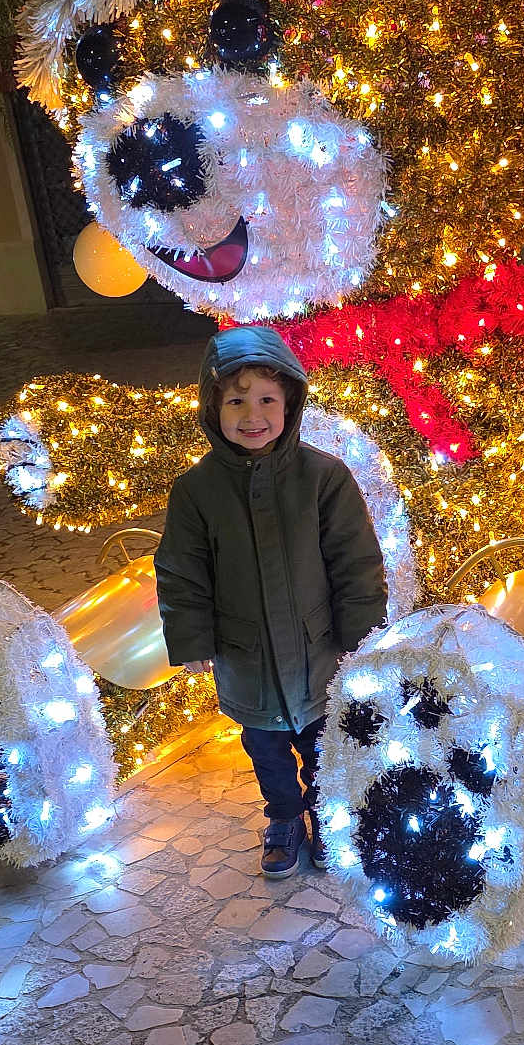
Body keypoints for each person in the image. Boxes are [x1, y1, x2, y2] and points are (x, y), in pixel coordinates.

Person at [154, 326, 388, 877]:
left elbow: (355, 561)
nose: (251, 415)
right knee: (265, 747)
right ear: (213, 410)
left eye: (266, 400)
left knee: (324, 743)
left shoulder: (324, 478)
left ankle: (329, 815)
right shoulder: (196, 491)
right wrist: (192, 637)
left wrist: (363, 637)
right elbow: (182, 572)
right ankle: (284, 815)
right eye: (236, 400)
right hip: (246, 656)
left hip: (319, 651)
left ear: (290, 403)